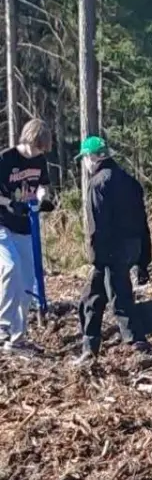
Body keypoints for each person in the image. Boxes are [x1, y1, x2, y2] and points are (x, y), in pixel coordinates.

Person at [74, 136, 152, 365]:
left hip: (110, 251)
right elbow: (143, 222)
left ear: (93, 157)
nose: (85, 164)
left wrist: (96, 257)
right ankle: (90, 349)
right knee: (92, 298)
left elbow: (96, 226)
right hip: (132, 248)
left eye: (85, 158)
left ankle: (137, 344)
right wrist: (144, 261)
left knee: (119, 298)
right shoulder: (130, 181)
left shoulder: (98, 183)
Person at [0, 118, 54, 356]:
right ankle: (2, 324)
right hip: (2, 224)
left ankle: (17, 338)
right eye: (36, 147)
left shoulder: (40, 161)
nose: (37, 153)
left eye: (41, 150)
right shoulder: (5, 159)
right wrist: (9, 203)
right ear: (28, 139)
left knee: (26, 281)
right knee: (10, 267)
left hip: (25, 227)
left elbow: (42, 185)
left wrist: (42, 198)